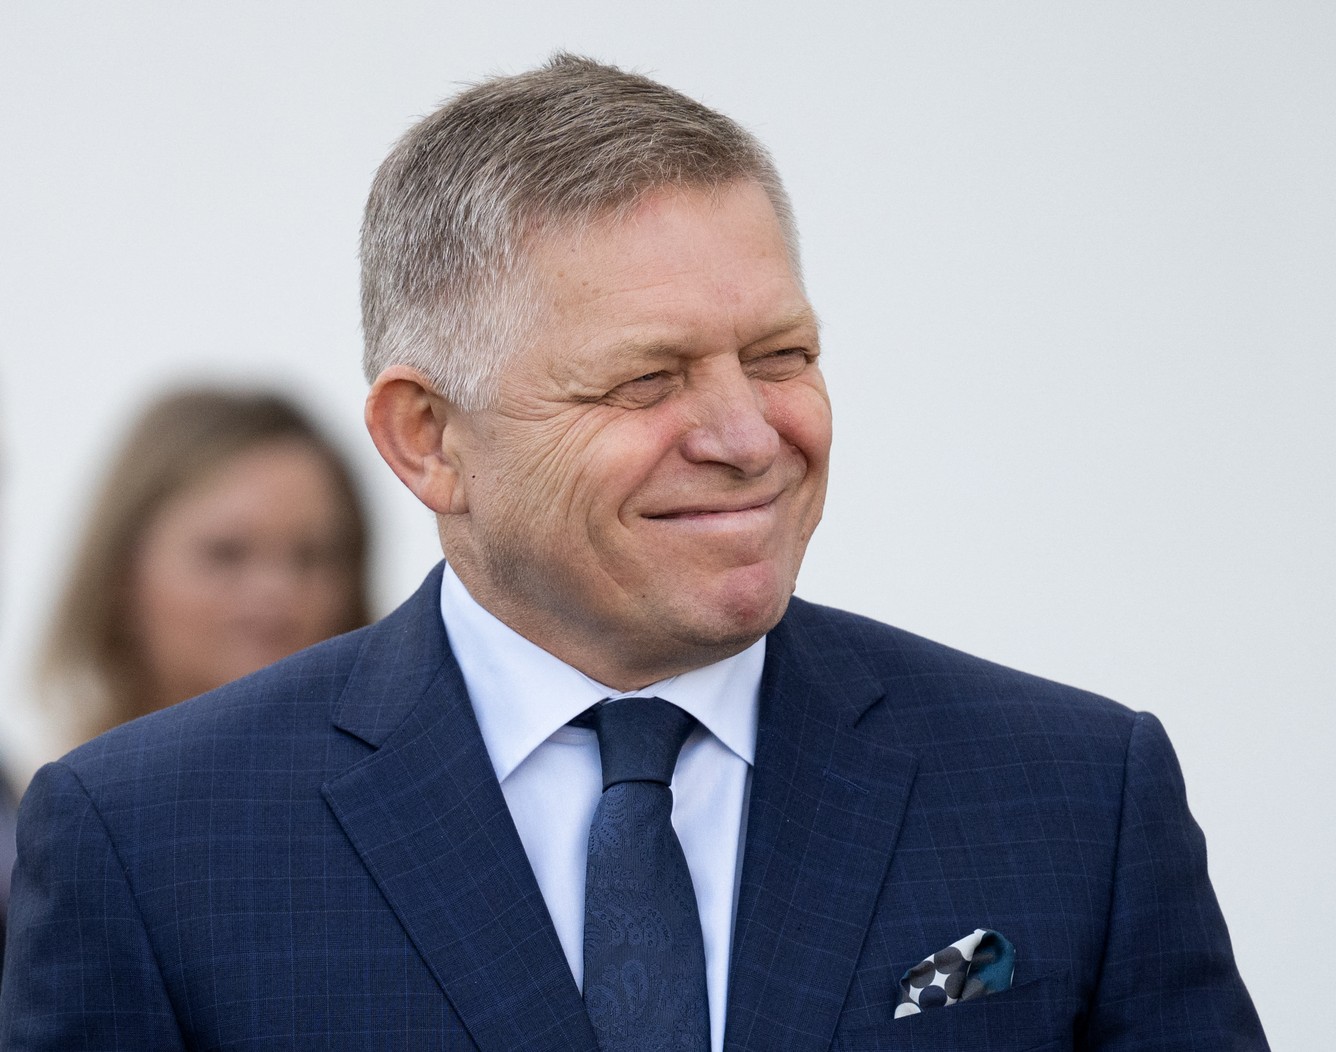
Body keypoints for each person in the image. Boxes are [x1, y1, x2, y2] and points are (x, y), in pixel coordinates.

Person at [0, 55, 1269, 1050]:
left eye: (781, 356)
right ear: (427, 437)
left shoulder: (1072, 791)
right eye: (644, 378)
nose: (745, 433)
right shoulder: (150, 841)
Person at [27, 386, 372, 765]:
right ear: (121, 574)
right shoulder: (42, 809)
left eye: (312, 557)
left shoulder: (404, 796)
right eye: (226, 554)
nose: (277, 590)